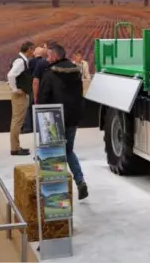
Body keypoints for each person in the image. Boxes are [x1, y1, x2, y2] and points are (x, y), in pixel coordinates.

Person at [38, 44, 89, 200]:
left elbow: (43, 99)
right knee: (68, 151)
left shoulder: (49, 74)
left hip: (53, 119)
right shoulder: (76, 71)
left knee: (53, 154)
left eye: (48, 56)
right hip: (72, 118)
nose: (47, 59)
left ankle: (56, 198)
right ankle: (80, 180)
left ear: (54, 56)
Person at [7, 41, 35, 156]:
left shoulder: (22, 60)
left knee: (17, 121)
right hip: (19, 95)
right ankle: (15, 148)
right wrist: (14, 89)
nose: (33, 52)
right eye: (32, 50)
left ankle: (16, 146)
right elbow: (11, 75)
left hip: (22, 94)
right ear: (28, 49)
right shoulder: (20, 61)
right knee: (17, 122)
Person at [22, 46, 47, 133]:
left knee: (29, 107)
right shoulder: (45, 62)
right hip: (43, 88)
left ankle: (28, 127)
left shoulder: (30, 61)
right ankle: (40, 126)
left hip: (33, 87)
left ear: (36, 53)